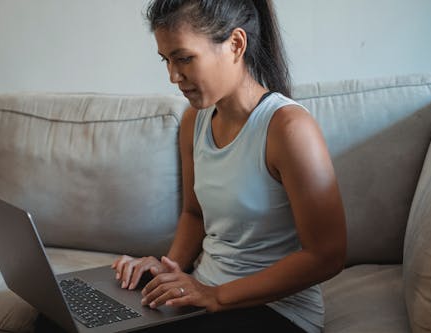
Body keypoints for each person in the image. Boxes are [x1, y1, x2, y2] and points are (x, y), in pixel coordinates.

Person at [112, 1, 347, 332]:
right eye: (166, 60)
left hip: (276, 311)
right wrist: (169, 270)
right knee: (58, 319)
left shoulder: (289, 129)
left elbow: (328, 254)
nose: (173, 76)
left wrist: (216, 295)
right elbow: (194, 215)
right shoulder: (195, 120)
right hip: (204, 296)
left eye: (184, 58)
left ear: (236, 44)